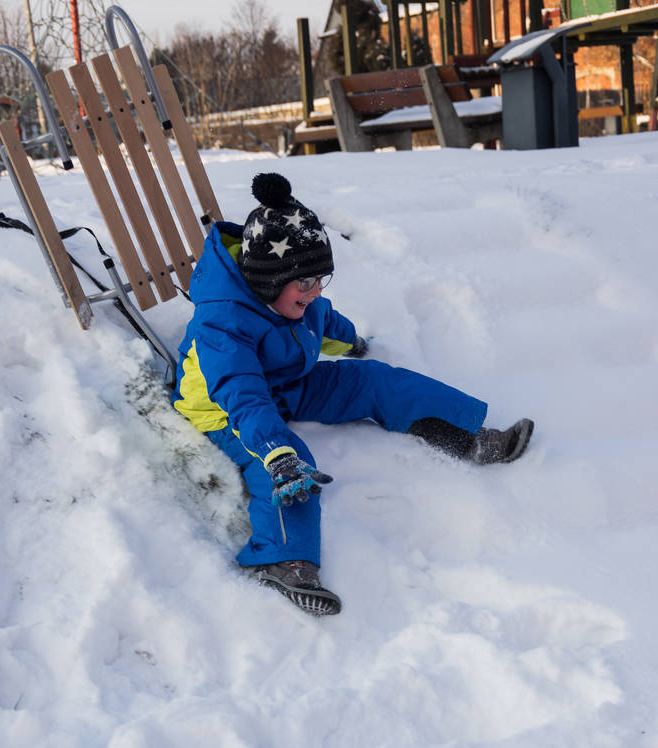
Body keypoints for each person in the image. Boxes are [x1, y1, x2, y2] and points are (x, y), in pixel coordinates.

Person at [173, 173, 534, 616]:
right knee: (290, 469)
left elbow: (323, 320)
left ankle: (470, 436)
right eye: (304, 283)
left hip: (286, 384)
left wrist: (354, 345)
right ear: (269, 281)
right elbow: (242, 393)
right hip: (226, 408)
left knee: (374, 381)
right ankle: (286, 560)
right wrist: (276, 452)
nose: (315, 290)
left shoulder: (300, 298)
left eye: (320, 278)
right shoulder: (223, 323)